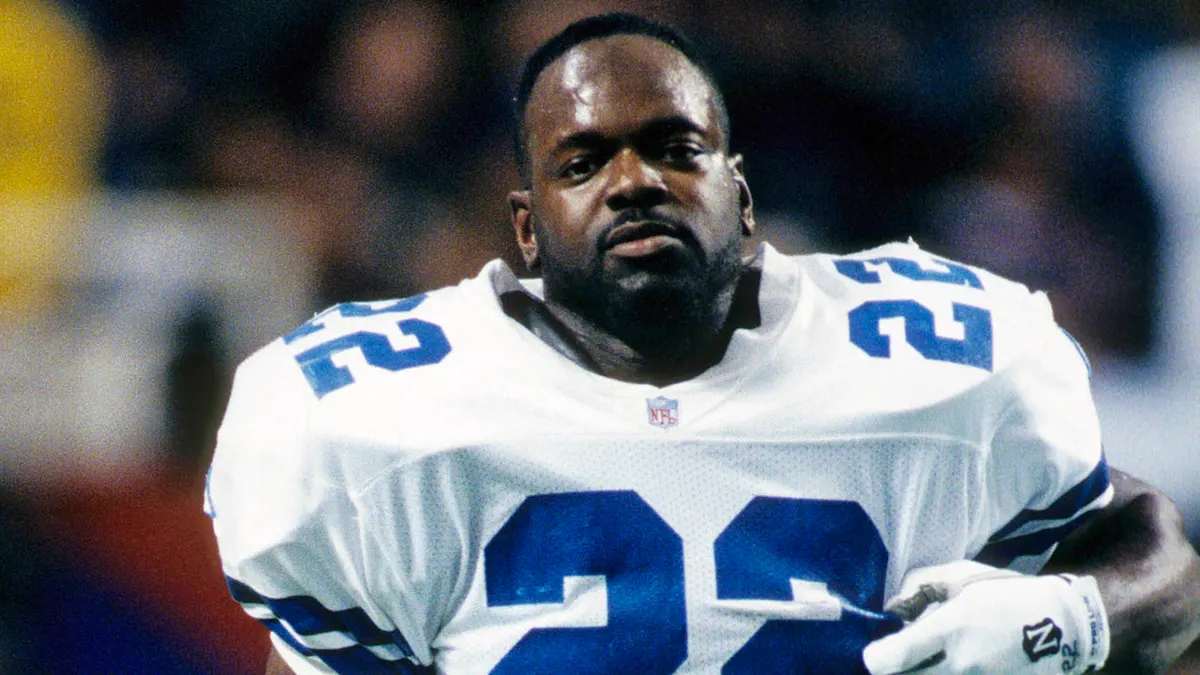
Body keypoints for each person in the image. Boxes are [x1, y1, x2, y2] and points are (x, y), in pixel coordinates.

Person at [206, 13, 1200, 675]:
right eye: (585, 159)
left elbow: (1164, 573)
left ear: (745, 196)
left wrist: (1064, 620)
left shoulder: (937, 362)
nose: (635, 181)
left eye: (677, 149)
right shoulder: (366, 418)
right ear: (524, 227)